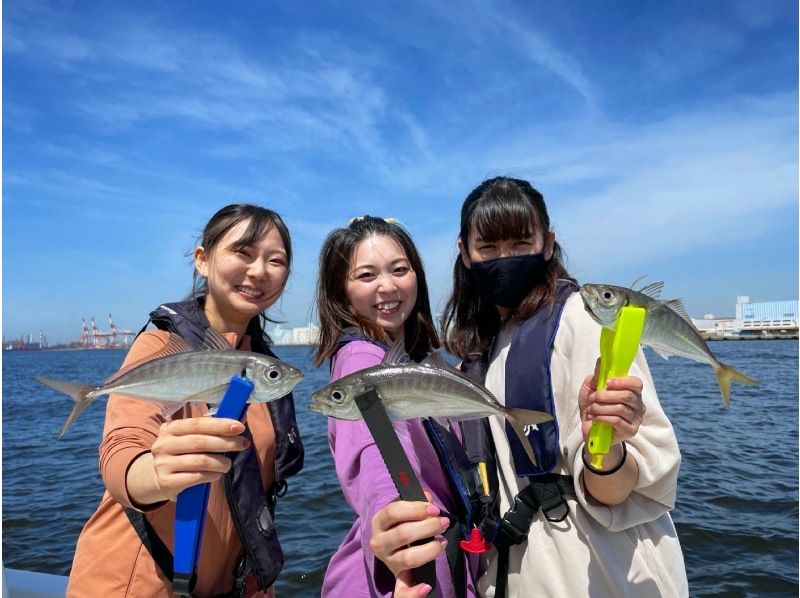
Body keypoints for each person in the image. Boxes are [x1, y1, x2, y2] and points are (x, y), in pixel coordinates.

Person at [371, 177, 689, 597]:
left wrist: (607, 447)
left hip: (598, 574)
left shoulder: (585, 320)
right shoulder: (477, 352)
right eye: (488, 248)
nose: (504, 258)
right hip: (514, 573)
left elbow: (622, 488)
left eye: (521, 243)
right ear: (464, 253)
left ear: (548, 243)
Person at [67, 204, 304, 598]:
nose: (259, 270)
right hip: (134, 584)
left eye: (275, 260)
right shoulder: (162, 346)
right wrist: (156, 474)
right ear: (203, 260)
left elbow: (253, 497)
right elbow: (122, 449)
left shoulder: (262, 368)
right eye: (243, 253)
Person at [314, 216, 480, 598]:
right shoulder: (361, 363)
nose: (387, 286)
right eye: (366, 275)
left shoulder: (415, 361)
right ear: (342, 290)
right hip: (411, 572)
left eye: (399, 270)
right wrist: (396, 518)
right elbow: (378, 448)